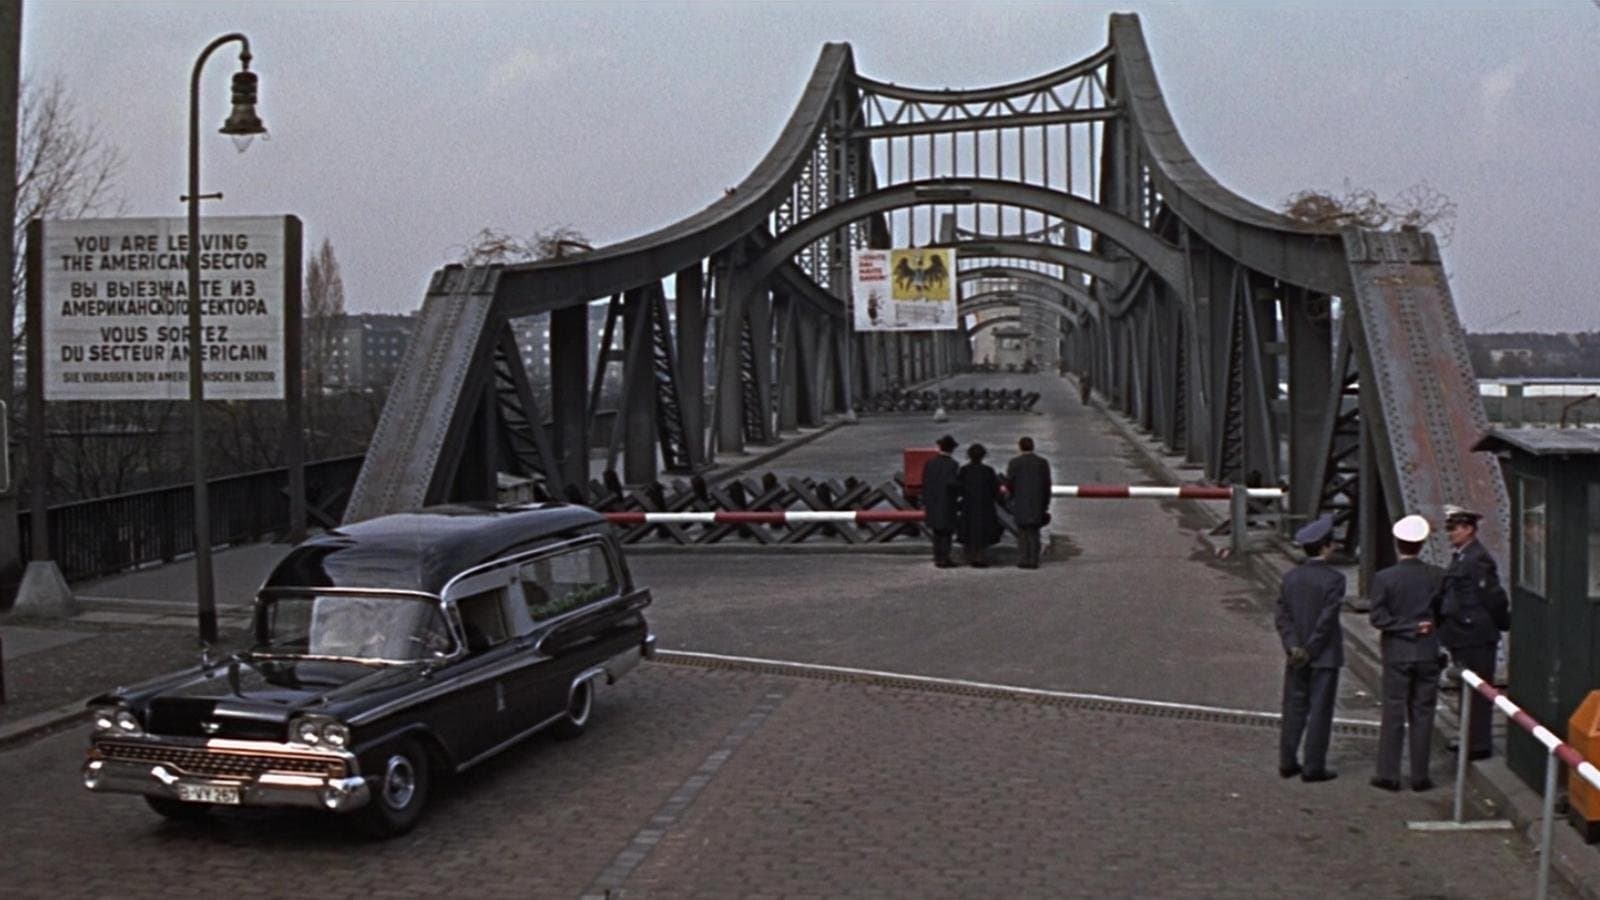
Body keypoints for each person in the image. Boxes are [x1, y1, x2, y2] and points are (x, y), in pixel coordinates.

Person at [1368, 514, 1444, 792]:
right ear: (1422, 544)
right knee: (1423, 713)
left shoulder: (1384, 578)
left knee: (1394, 711)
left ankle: (1388, 773)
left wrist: (1406, 627)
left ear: (1397, 543)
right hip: (1427, 652)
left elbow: (1378, 617)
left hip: (1397, 652)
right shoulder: (1436, 575)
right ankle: (1420, 775)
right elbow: (1443, 612)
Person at [1275, 514, 1346, 783]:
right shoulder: (1335, 579)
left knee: (1294, 707)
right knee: (1319, 711)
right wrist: (1311, 648)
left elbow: (1282, 616)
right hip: (1324, 656)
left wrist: (1294, 646)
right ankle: (1313, 765)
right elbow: (1326, 620)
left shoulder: (1291, 578)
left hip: (1295, 656)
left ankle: (1287, 760)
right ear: (1325, 546)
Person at [1435, 504, 1502, 761]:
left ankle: (1478, 744)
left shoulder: (1477, 559)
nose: (1450, 534)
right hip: (1463, 634)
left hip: (1476, 634)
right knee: (1468, 689)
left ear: (1469, 529)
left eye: (1454, 529)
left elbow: (1492, 596)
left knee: (1478, 691)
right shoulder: (1464, 556)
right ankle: (1469, 738)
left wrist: (1500, 621)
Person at [1004, 437, 1053, 569]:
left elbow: (1009, 483)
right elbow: (1047, 484)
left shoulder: (1014, 463)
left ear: (1020, 447)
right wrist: (1046, 503)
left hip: (1020, 501)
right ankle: (1034, 560)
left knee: (1022, 532)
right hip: (1037, 502)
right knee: (1034, 532)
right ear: (1033, 447)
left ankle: (1023, 559)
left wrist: (1010, 499)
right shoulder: (1042, 463)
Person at [955, 443, 1002, 568]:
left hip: (968, 505)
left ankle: (970, 555)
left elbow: (959, 488)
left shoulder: (964, 470)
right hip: (985, 506)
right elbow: (995, 490)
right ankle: (980, 556)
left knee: (969, 530)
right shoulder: (988, 471)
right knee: (983, 531)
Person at [922, 435, 961, 568]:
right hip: (947, 501)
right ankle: (945, 557)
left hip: (932, 501)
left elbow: (925, 482)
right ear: (952, 449)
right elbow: (952, 483)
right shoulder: (953, 464)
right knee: (947, 532)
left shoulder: (930, 463)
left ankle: (937, 556)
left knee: (936, 531)